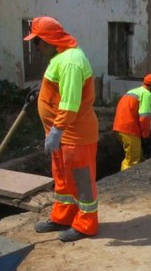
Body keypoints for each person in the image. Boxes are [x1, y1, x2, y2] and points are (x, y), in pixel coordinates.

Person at [24, 16, 98, 242]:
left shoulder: (71, 61)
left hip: (74, 135)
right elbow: (59, 89)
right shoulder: (60, 57)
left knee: (81, 180)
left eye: (36, 42)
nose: (35, 47)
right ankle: (63, 216)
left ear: (47, 40)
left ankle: (86, 224)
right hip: (61, 134)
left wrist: (57, 130)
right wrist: (43, 92)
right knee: (63, 179)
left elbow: (70, 102)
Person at [113, 73, 151, 170]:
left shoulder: (135, 91)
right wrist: (146, 135)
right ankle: (125, 180)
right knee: (132, 160)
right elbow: (144, 117)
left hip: (120, 127)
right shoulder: (146, 94)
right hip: (129, 129)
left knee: (139, 156)